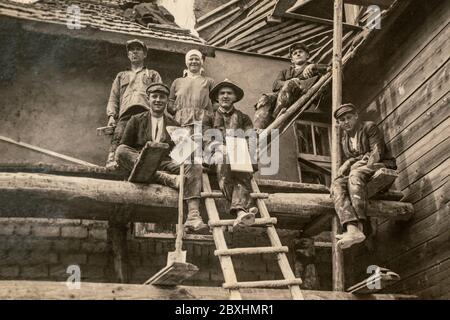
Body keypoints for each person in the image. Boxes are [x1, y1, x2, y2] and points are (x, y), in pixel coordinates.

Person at [116, 83, 208, 232]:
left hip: (165, 163)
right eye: (155, 96)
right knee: (121, 151)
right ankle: (167, 179)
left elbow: (183, 153)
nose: (158, 100)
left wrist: (192, 153)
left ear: (166, 101)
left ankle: (193, 216)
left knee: (194, 164)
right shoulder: (136, 120)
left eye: (162, 97)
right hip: (141, 162)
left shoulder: (174, 123)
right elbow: (125, 146)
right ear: (148, 99)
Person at [331, 103, 397, 249]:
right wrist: (349, 162)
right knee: (337, 183)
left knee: (354, 174)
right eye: (342, 120)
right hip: (363, 172)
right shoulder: (345, 140)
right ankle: (352, 228)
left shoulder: (369, 127)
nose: (346, 122)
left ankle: (361, 225)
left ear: (356, 116)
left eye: (349, 117)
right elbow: (355, 158)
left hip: (381, 164)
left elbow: (377, 152)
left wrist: (353, 164)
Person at [208, 79, 258, 229]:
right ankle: (246, 205)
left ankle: (240, 211)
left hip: (238, 156)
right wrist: (217, 146)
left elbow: (250, 138)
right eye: (222, 93)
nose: (225, 96)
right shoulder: (209, 117)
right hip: (216, 156)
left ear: (235, 97)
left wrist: (248, 155)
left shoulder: (243, 118)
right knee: (223, 160)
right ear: (217, 97)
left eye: (229, 93)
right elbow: (204, 138)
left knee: (242, 169)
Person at [105, 39, 162, 168]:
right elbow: (113, 98)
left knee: (143, 140)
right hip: (126, 113)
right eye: (131, 50)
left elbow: (160, 96)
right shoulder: (121, 76)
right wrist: (111, 116)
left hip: (145, 113)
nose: (134, 52)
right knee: (119, 136)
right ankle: (112, 161)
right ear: (128, 55)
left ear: (144, 54)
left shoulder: (152, 74)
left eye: (138, 49)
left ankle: (145, 166)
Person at [253, 42, 326, 129]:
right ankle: (257, 129)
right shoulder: (285, 72)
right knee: (265, 98)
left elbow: (329, 68)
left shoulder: (313, 68)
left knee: (290, 84)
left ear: (307, 55)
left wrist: (314, 66)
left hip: (299, 96)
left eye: (300, 52)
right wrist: (289, 81)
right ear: (292, 60)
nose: (298, 54)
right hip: (281, 97)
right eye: (295, 53)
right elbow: (275, 85)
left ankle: (274, 120)